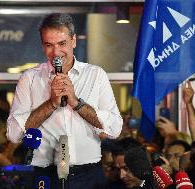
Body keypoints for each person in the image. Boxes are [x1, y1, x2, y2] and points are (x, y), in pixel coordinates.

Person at [7, 13, 123, 189]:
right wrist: (51, 104)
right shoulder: (29, 79)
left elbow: (114, 128)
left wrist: (76, 103)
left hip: (88, 174)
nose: (56, 53)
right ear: (42, 46)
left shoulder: (95, 75)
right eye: (49, 45)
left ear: (74, 41)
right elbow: (14, 134)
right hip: (44, 173)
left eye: (62, 44)